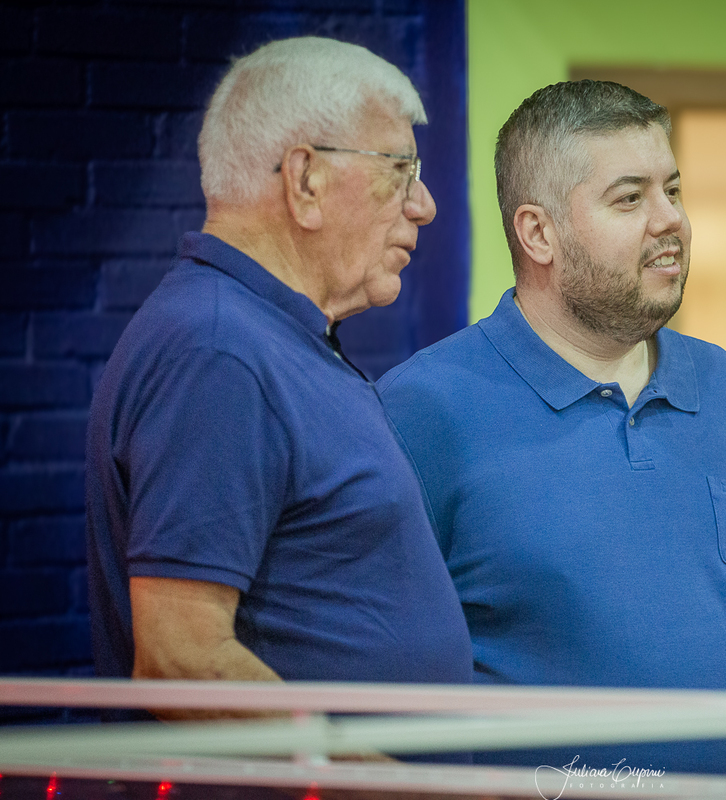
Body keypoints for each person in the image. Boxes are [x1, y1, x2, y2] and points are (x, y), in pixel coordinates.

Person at [377, 80, 726, 777]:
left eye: (673, 189)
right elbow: (368, 664)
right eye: (630, 198)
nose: (670, 220)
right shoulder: (421, 411)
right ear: (538, 233)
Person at [85, 37, 472, 717]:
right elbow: (182, 658)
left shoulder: (262, 339)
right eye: (400, 170)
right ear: (305, 180)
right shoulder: (219, 352)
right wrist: (368, 773)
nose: (424, 204)